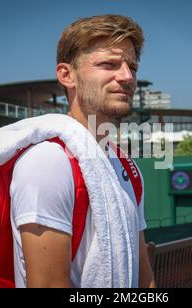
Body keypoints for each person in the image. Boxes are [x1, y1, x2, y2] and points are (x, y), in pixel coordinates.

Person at [10, 15, 155, 288]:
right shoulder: (48, 162)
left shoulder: (128, 167)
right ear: (67, 75)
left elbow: (144, 275)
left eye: (131, 66)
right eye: (108, 64)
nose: (127, 76)